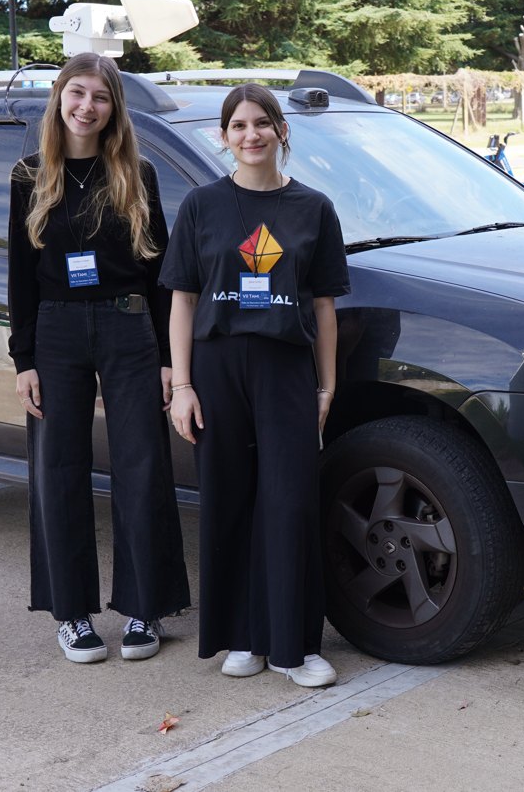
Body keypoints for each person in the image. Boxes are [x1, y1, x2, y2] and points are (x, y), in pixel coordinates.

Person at [161, 83, 349, 688]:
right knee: (230, 501)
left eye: (261, 123)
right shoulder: (201, 206)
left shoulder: (313, 208)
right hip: (217, 371)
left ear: (280, 131)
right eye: (238, 125)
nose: (250, 135)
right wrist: (182, 386)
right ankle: (243, 637)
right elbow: (182, 300)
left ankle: (297, 644)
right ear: (223, 136)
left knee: (291, 504)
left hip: (285, 368)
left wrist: (326, 388)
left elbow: (324, 309)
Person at [7, 53, 191, 664]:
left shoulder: (136, 173)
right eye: (77, 93)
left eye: (101, 97)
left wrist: (168, 356)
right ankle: (72, 614)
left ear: (115, 109)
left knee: (142, 465)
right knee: (57, 469)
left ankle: (146, 608)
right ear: (59, 98)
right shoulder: (28, 175)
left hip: (128, 323)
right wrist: (24, 359)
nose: (87, 106)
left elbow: (161, 272)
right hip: (56, 332)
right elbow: (20, 277)